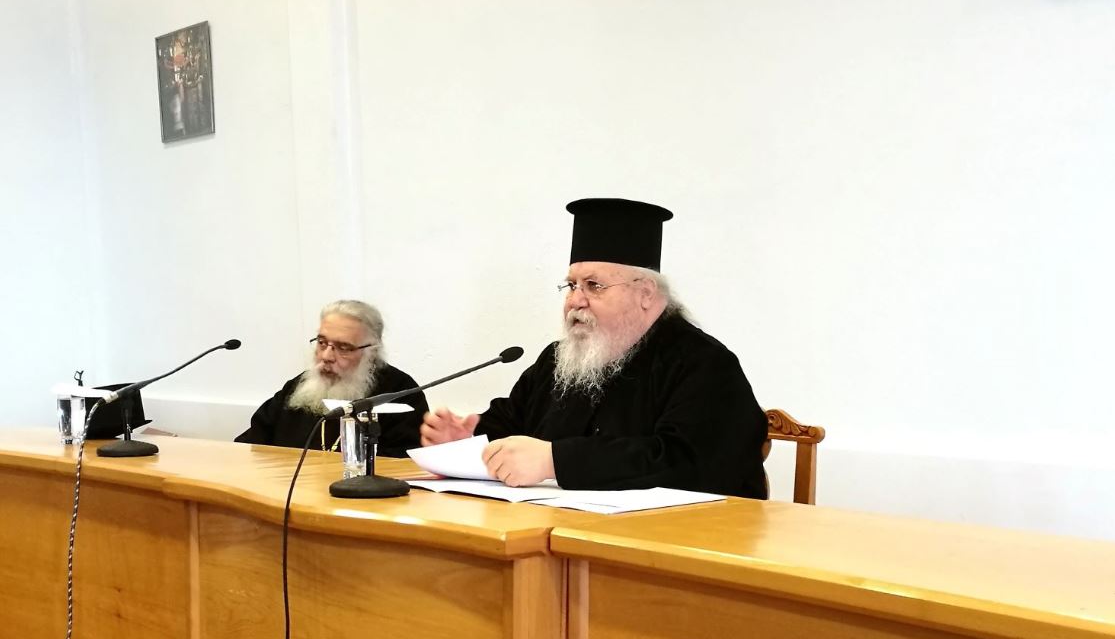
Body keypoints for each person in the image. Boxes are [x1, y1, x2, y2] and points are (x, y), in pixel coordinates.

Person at [421, 198, 768, 498]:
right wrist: (470, 440)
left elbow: (689, 463)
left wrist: (555, 461)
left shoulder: (704, 365)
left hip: (673, 542)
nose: (575, 300)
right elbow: (513, 425)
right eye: (571, 285)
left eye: (593, 286)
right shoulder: (557, 361)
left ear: (646, 294)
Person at [237, 299, 428, 457]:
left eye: (343, 347)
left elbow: (405, 467)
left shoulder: (401, 393)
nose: (326, 356)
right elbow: (248, 448)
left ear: (372, 353)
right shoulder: (297, 389)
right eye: (322, 343)